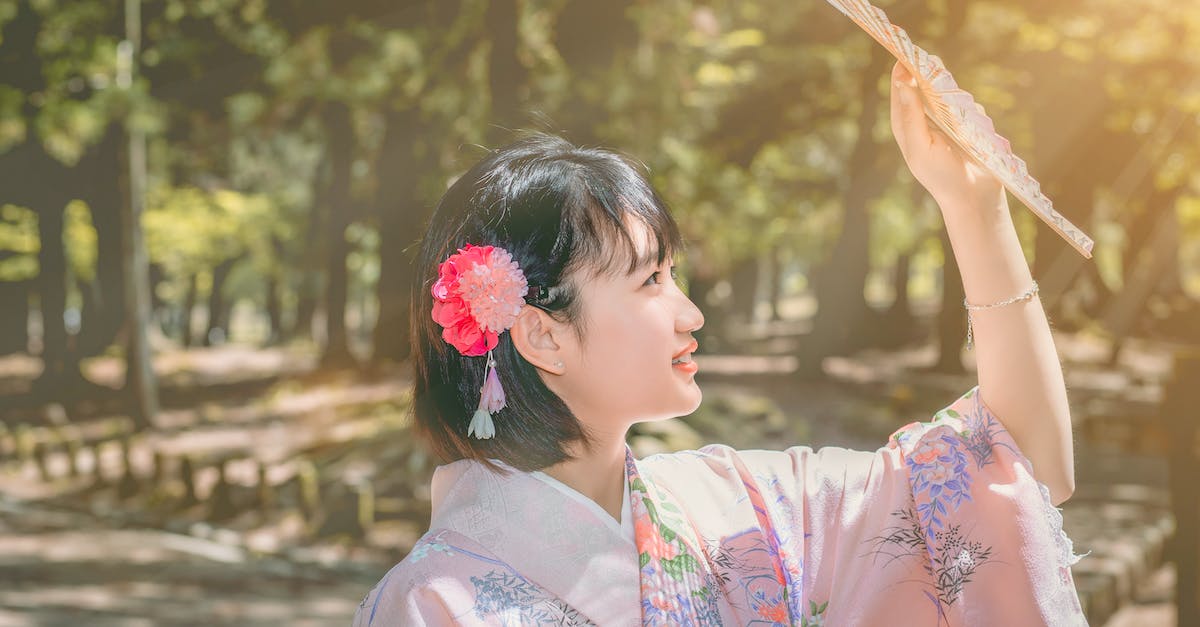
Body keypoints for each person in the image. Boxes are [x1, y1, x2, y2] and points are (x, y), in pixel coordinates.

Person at [353, 62, 1087, 626]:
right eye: (651, 282)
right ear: (542, 333)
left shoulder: (742, 508)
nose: (691, 313)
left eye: (677, 276)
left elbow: (1014, 464)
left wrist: (975, 211)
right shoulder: (434, 604)